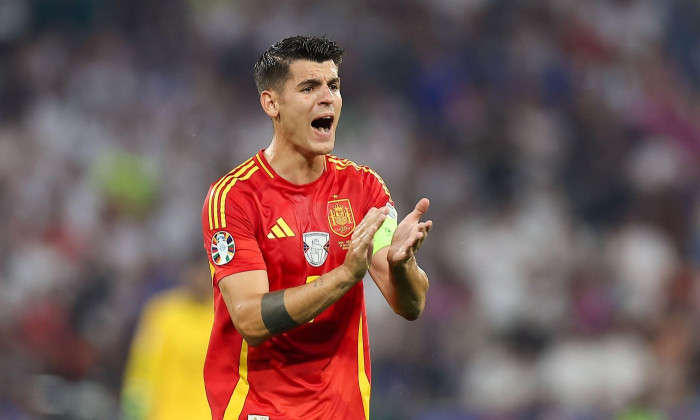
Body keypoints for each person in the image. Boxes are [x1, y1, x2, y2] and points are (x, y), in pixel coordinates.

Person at [201, 35, 432, 420]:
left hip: (343, 409)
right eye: (309, 87)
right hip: (259, 407)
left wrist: (401, 264)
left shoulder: (364, 188)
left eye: (334, 86)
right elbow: (250, 320)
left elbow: (410, 305)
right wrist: (344, 276)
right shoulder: (234, 197)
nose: (327, 98)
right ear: (271, 103)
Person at [121, 260, 214, 420]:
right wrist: (133, 413)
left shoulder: (223, 316)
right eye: (198, 271)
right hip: (162, 414)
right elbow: (143, 366)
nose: (201, 278)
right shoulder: (162, 312)